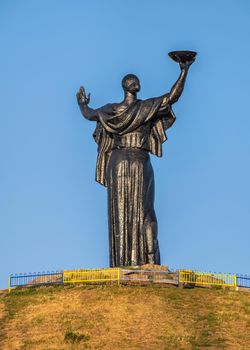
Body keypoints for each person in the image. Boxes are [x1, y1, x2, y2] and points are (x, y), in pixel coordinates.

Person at [77, 61, 191, 267]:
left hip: (118, 163)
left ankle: (125, 262)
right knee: (144, 211)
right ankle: (145, 260)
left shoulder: (111, 110)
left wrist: (82, 104)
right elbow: (173, 96)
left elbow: (88, 114)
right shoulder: (146, 107)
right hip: (138, 160)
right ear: (131, 87)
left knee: (125, 213)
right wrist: (184, 71)